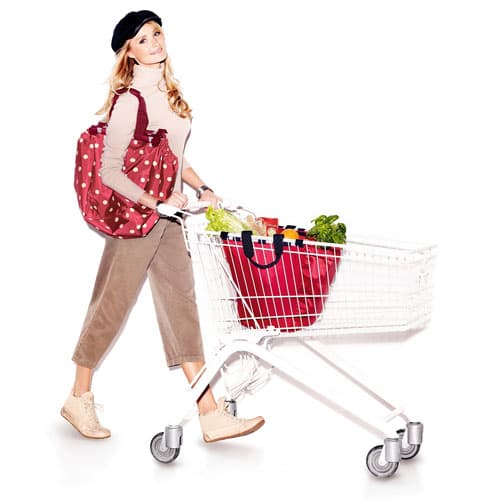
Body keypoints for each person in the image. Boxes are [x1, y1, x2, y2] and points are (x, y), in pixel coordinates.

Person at [61, 10, 265, 444]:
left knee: (181, 307)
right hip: (138, 220)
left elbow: (175, 156)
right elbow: (110, 171)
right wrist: (155, 201)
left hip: (169, 220)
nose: (154, 42)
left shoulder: (169, 95)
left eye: (156, 33)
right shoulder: (130, 101)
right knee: (111, 306)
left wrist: (203, 187)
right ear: (129, 52)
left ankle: (209, 413)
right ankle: (78, 397)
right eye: (142, 39)